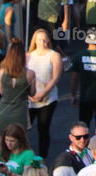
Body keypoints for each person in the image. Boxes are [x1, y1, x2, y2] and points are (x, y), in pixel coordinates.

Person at [26, 27, 62, 156]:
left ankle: (42, 156)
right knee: (24, 128)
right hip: (30, 98)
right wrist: (30, 96)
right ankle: (25, 155)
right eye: (39, 39)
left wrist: (43, 93)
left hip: (48, 98)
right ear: (34, 40)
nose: (42, 42)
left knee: (43, 128)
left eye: (45, 39)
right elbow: (24, 76)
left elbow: (55, 77)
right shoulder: (28, 56)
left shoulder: (54, 55)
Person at [0, 41, 33, 154]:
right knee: (20, 148)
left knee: (2, 149)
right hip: (20, 111)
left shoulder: (1, 72)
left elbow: (1, 92)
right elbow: (32, 93)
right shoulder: (30, 73)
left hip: (3, 110)